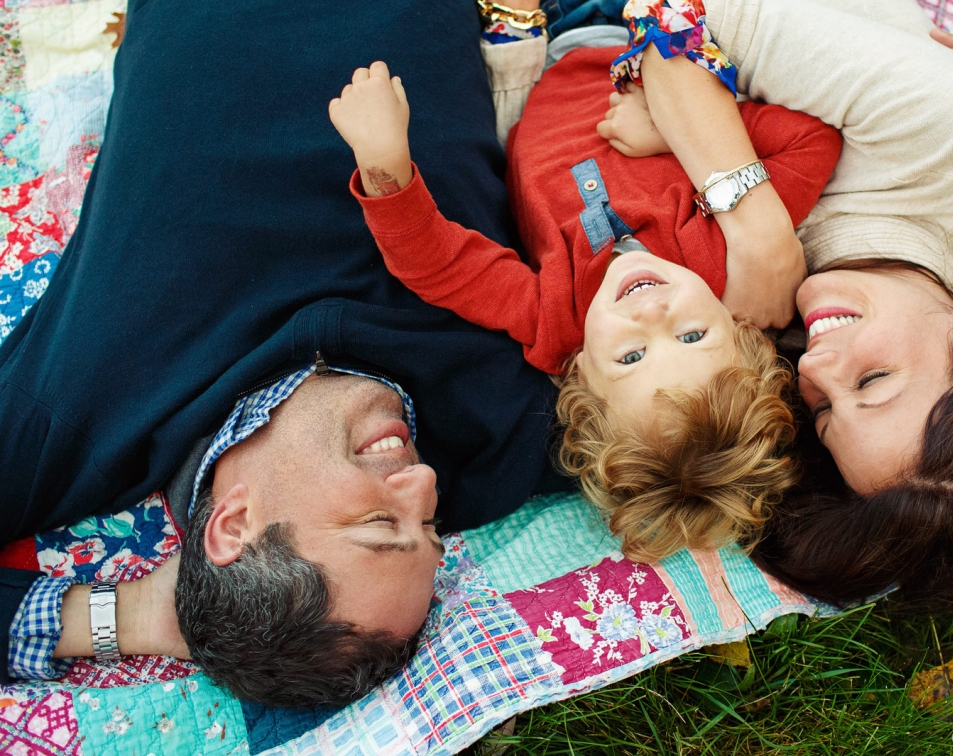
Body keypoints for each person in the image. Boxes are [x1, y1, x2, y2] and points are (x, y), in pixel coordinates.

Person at [0, 0, 571, 707]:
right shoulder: (499, 437)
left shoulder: (76, 415)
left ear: (234, 524)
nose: (424, 486)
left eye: (378, 524)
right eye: (428, 528)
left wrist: (139, 614)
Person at [599, 0, 953, 613]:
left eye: (824, 412)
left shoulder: (806, 324)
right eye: (873, 381)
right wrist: (758, 231)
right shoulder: (937, 124)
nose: (813, 368)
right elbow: (671, 14)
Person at [328, 13, 843, 561]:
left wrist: (383, 162)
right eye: (693, 336)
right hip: (632, 39)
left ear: (581, 379)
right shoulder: (731, 254)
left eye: (631, 356)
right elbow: (812, 139)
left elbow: (441, 265)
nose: (653, 315)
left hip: (539, 59)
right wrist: (669, 130)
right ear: (740, 332)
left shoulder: (556, 319)